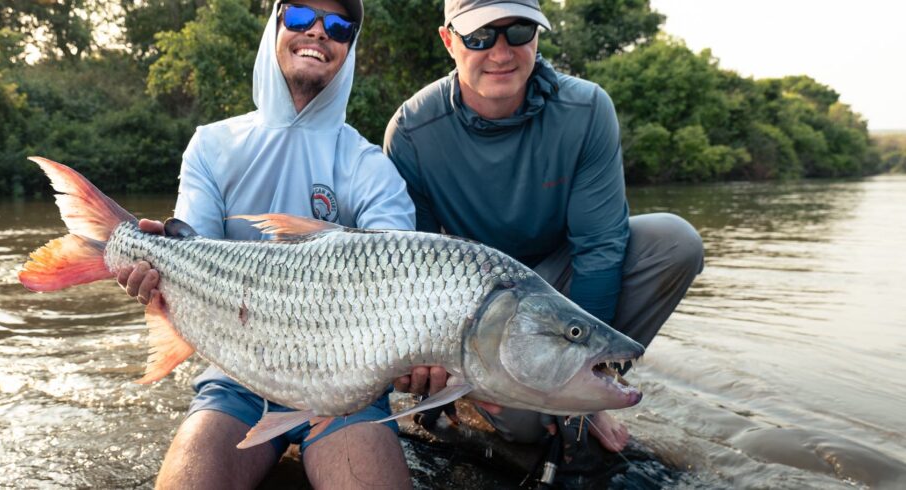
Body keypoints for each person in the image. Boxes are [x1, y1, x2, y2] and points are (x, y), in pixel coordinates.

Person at [383, 0, 704, 463]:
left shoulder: (587, 109)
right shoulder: (411, 131)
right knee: (525, 427)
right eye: (479, 36)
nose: (501, 52)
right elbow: (411, 277)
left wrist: (588, 393)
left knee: (676, 243)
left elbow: (599, 250)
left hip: (557, 287)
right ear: (448, 41)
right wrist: (445, 375)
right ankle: (487, 399)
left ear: (537, 36)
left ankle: (587, 392)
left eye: (518, 32)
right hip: (473, 307)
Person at [117, 1, 416, 488]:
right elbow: (190, 257)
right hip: (237, 378)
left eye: (339, 26)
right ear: (275, 26)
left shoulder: (370, 166)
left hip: (346, 388)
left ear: (350, 47)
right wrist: (153, 274)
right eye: (300, 16)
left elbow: (405, 283)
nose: (318, 32)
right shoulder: (211, 145)